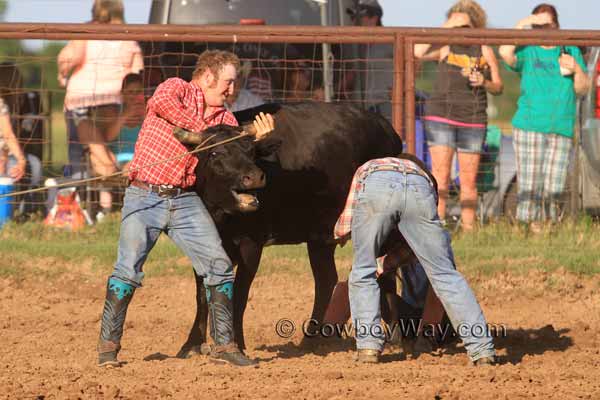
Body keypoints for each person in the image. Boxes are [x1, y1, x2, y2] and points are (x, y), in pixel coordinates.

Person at [96, 49, 275, 368]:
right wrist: (204, 133)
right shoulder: (174, 88)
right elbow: (161, 105)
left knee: (219, 264)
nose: (232, 90)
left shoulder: (226, 119)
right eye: (228, 82)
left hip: (184, 199)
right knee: (127, 268)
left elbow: (234, 152)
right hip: (144, 193)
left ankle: (223, 345)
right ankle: (108, 348)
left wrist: (255, 140)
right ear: (208, 77)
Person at [334, 155, 496, 365]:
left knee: (362, 270)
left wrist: (344, 236)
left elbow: (344, 224)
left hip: (377, 185)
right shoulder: (424, 176)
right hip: (420, 189)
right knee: (445, 274)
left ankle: (368, 348)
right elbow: (428, 242)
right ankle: (482, 350)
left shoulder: (367, 168)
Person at [414, 0, 503, 231]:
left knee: (468, 180)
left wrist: (484, 81)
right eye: (457, 25)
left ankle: (469, 229)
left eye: (465, 25)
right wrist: (447, 25)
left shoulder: (483, 48)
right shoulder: (445, 44)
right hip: (440, 115)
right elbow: (418, 50)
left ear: (475, 25)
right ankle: (437, 228)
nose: (461, 31)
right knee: (440, 176)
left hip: (473, 118)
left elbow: (498, 86)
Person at [499, 4, 590, 231]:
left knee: (555, 184)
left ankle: (551, 228)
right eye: (539, 25)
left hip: (561, 126)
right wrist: (523, 23)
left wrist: (577, 70)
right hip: (529, 125)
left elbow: (583, 89)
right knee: (530, 182)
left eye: (548, 25)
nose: (545, 29)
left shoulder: (569, 49)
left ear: (557, 26)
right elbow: (504, 53)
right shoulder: (527, 49)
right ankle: (529, 228)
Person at [57, 0, 143, 216]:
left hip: (81, 99)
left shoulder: (86, 31)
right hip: (112, 100)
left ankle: (78, 203)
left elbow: (70, 57)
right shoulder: (127, 36)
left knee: (78, 153)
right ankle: (113, 190)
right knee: (110, 144)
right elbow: (137, 69)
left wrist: (62, 72)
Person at [348, 0, 394, 121]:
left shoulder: (391, 40)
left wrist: (401, 89)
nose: (354, 21)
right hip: (360, 105)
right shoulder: (353, 43)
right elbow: (353, 72)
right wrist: (336, 89)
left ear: (374, 18)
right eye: (353, 17)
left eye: (359, 17)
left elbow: (413, 62)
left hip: (384, 104)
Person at [106, 73, 146, 171]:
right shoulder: (114, 112)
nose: (134, 96)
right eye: (130, 92)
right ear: (122, 94)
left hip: (142, 161)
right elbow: (108, 137)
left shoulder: (147, 111)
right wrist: (125, 115)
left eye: (138, 92)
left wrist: (145, 116)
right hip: (117, 161)